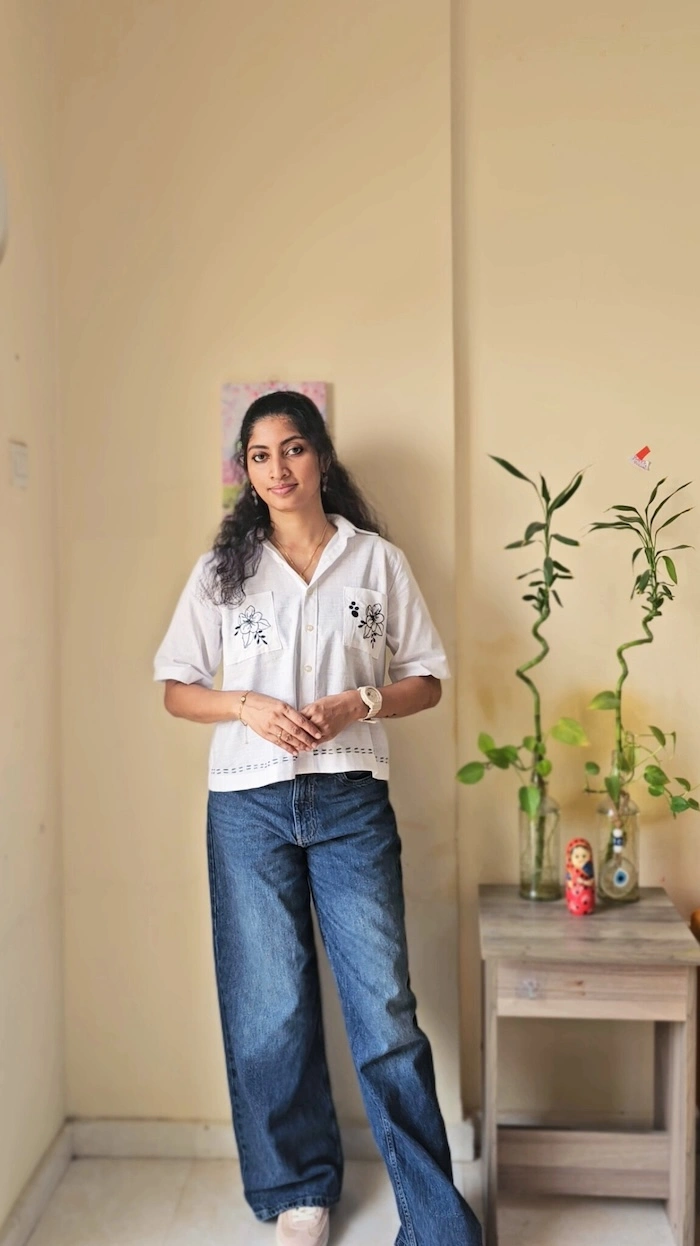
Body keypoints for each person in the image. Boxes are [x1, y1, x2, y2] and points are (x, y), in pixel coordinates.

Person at [153, 390, 482, 1246]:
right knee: (270, 1012)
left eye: (292, 450)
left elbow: (427, 677)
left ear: (321, 457)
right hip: (247, 807)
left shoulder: (377, 564)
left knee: (386, 1014)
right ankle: (299, 1188)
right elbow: (176, 689)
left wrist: (357, 703)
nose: (277, 469)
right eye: (259, 456)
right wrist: (246, 706)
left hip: (349, 799)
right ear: (246, 471)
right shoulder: (222, 570)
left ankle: (437, 1223)